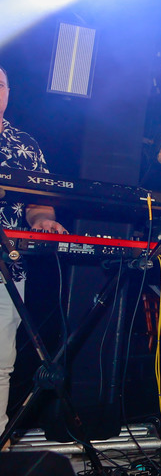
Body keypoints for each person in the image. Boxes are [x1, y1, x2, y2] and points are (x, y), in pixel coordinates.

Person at [0, 65, 68, 442]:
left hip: (7, 269)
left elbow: (38, 202)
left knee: (1, 364)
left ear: (9, 93)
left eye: (0, 84)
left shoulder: (24, 144)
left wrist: (43, 220)